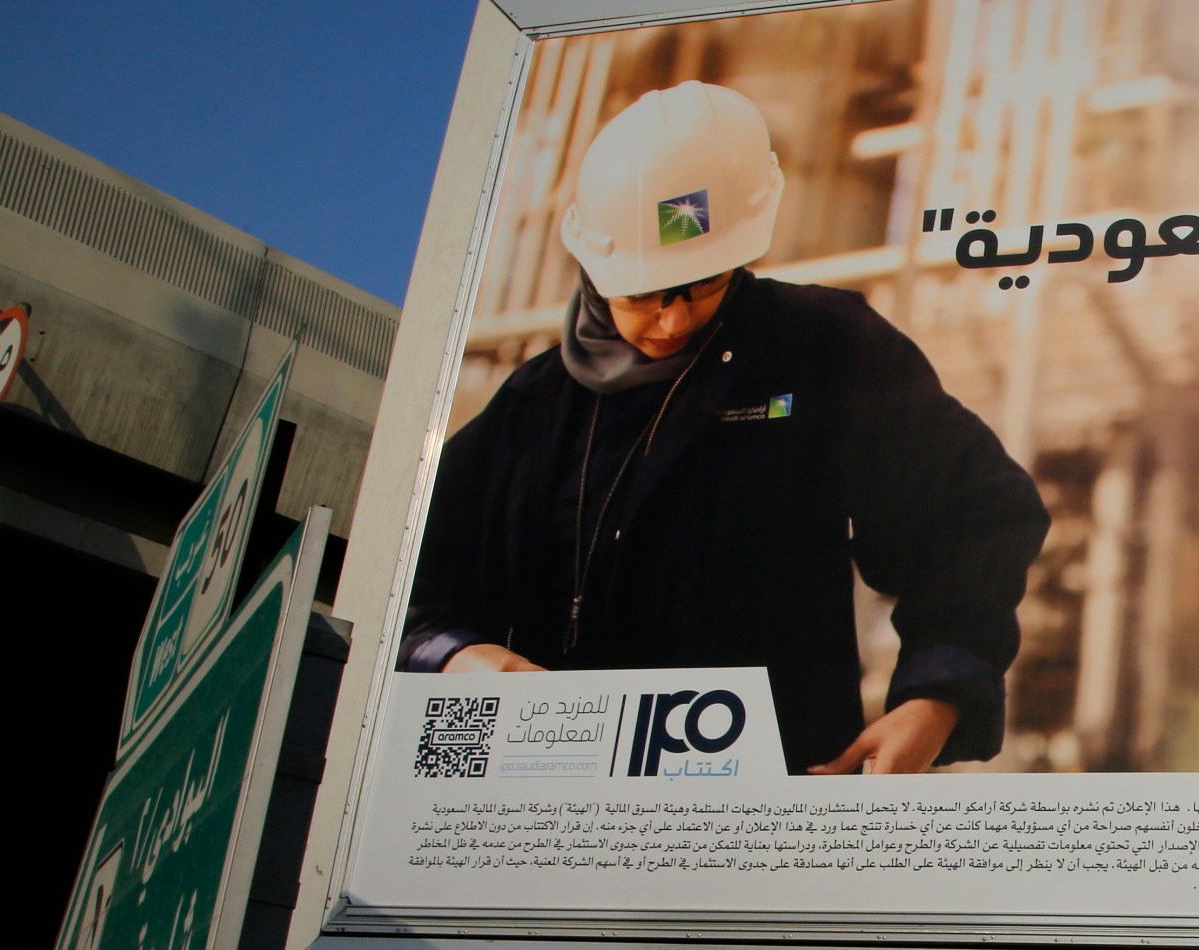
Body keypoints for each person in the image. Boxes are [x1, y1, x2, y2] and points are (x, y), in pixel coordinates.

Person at [403, 81, 1049, 776]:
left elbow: (975, 516)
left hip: (769, 806)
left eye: (703, 284)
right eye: (645, 294)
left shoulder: (825, 352)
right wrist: (454, 657)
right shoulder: (533, 411)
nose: (675, 320)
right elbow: (409, 582)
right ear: (594, 264)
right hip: (557, 807)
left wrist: (937, 695)